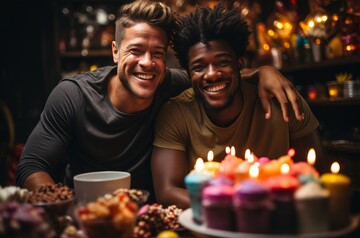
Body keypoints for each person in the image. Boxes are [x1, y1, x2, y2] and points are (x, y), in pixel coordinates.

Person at [16, 0, 304, 200]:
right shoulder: (73, 96)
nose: (147, 63)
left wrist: (265, 72)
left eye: (157, 53)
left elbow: (218, 75)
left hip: (149, 214)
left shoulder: (171, 82)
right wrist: (60, 205)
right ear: (116, 52)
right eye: (136, 50)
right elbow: (31, 166)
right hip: (86, 215)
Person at [151, 3, 328, 209]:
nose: (211, 74)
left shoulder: (281, 98)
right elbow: (167, 191)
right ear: (189, 75)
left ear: (239, 64)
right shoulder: (176, 112)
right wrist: (234, 205)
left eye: (222, 62)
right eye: (199, 67)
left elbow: (318, 174)